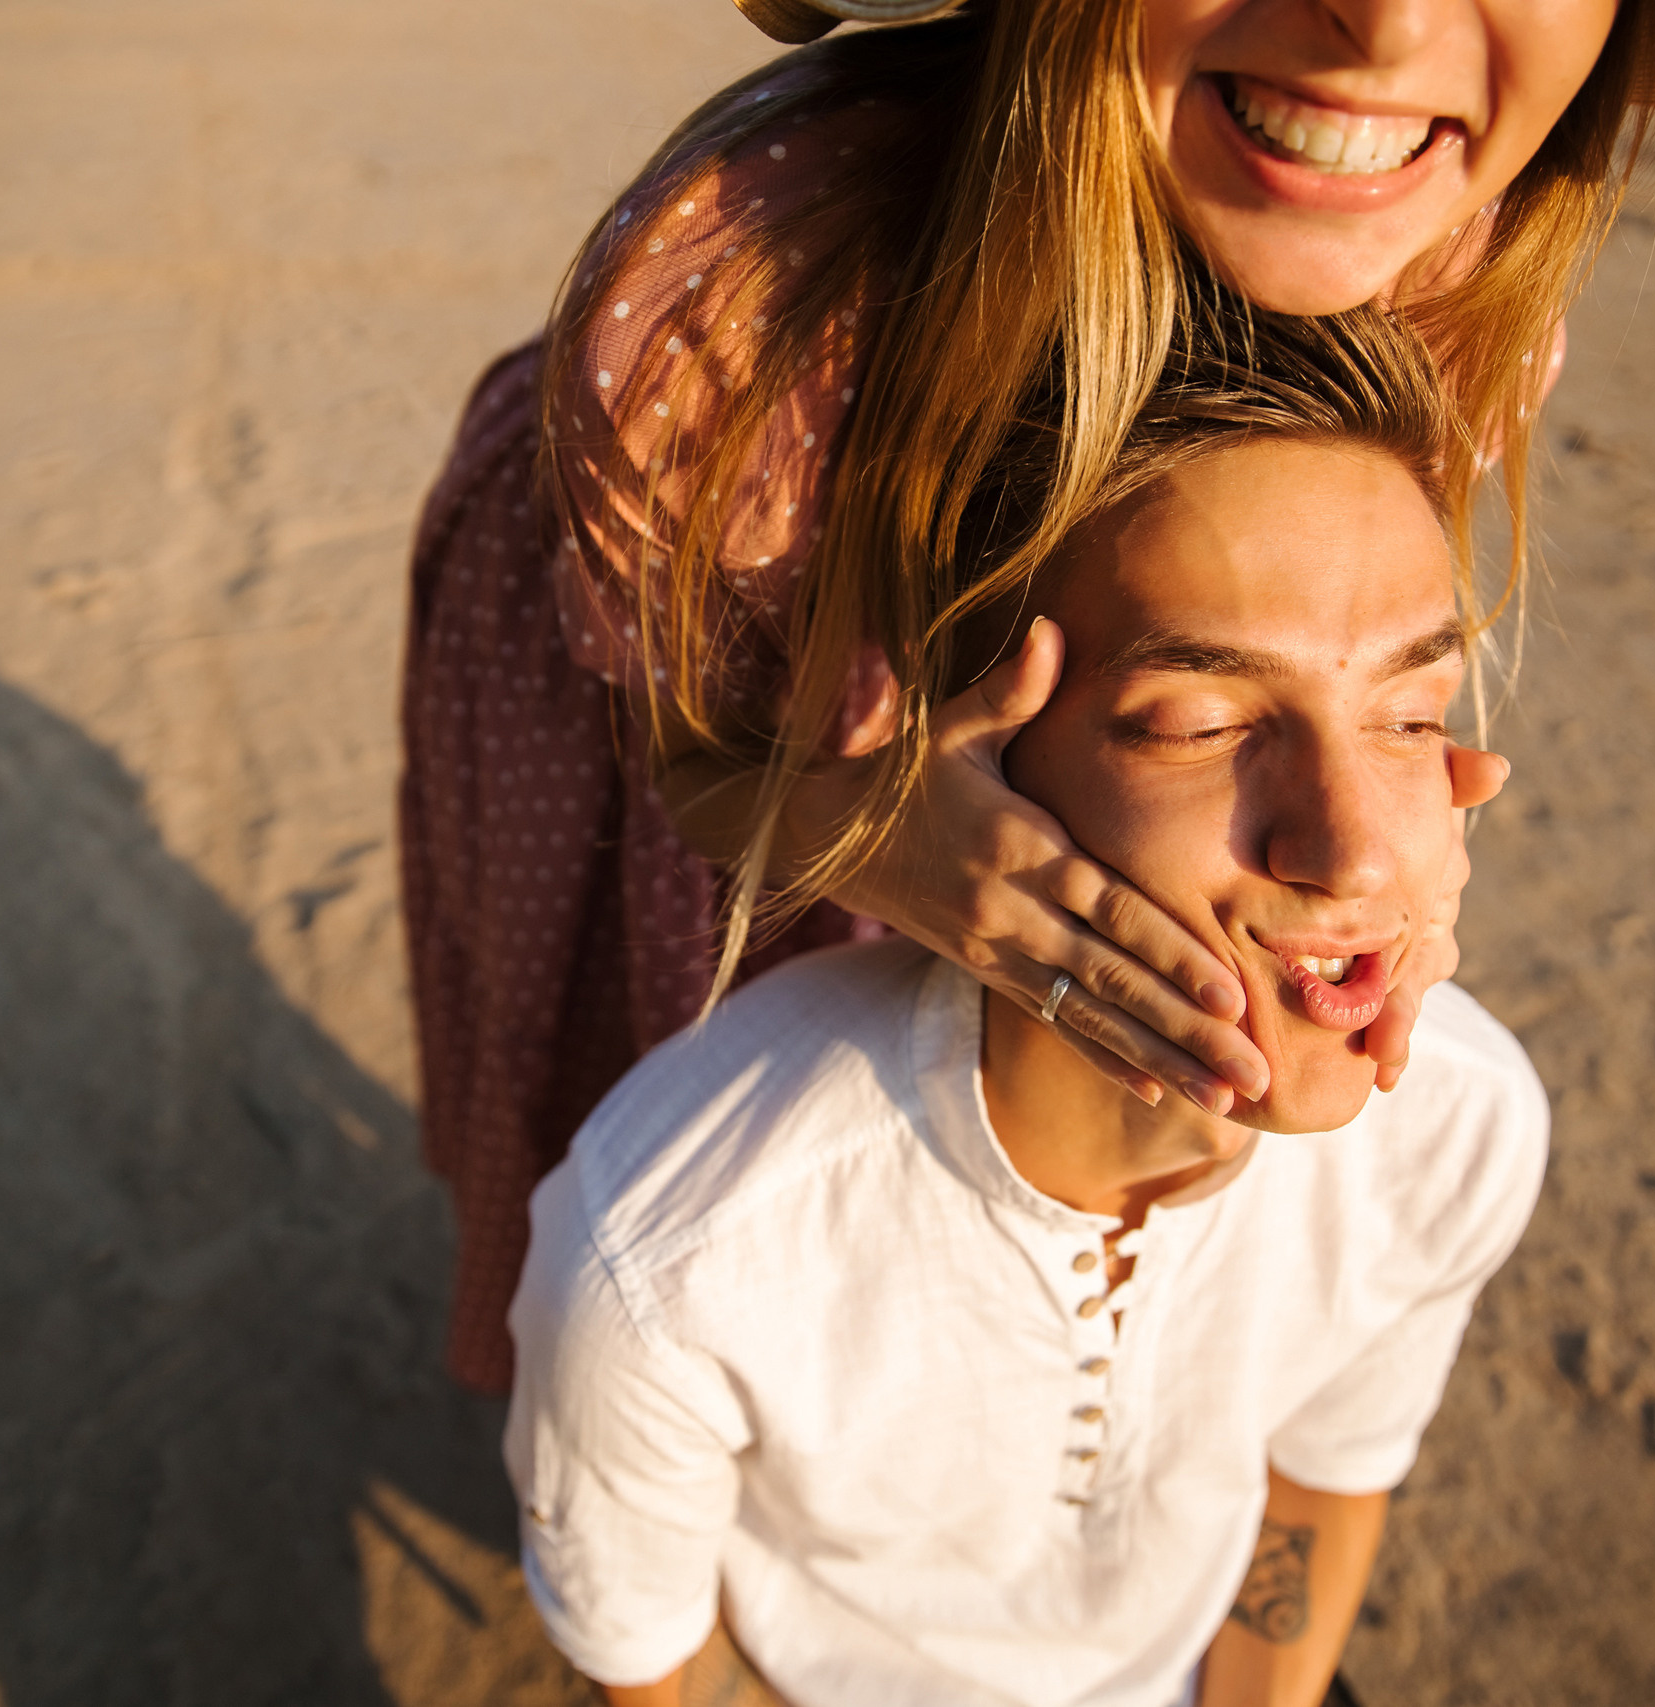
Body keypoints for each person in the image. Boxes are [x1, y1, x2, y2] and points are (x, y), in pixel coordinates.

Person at [401, 0, 1655, 1391]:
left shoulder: (1458, 247)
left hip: (1087, 774)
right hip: (727, 708)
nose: (1388, 24)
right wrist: (864, 823)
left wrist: (1383, 816)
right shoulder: (755, 295)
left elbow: (1338, 643)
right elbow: (690, 755)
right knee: (693, 1196)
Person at [507, 300, 1528, 1707]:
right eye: (1202, 723)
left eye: (1414, 718)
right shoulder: (678, 1253)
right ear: (975, 770)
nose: (1351, 851)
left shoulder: (1460, 1129)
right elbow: (646, 1659)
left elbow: (1318, 1480)